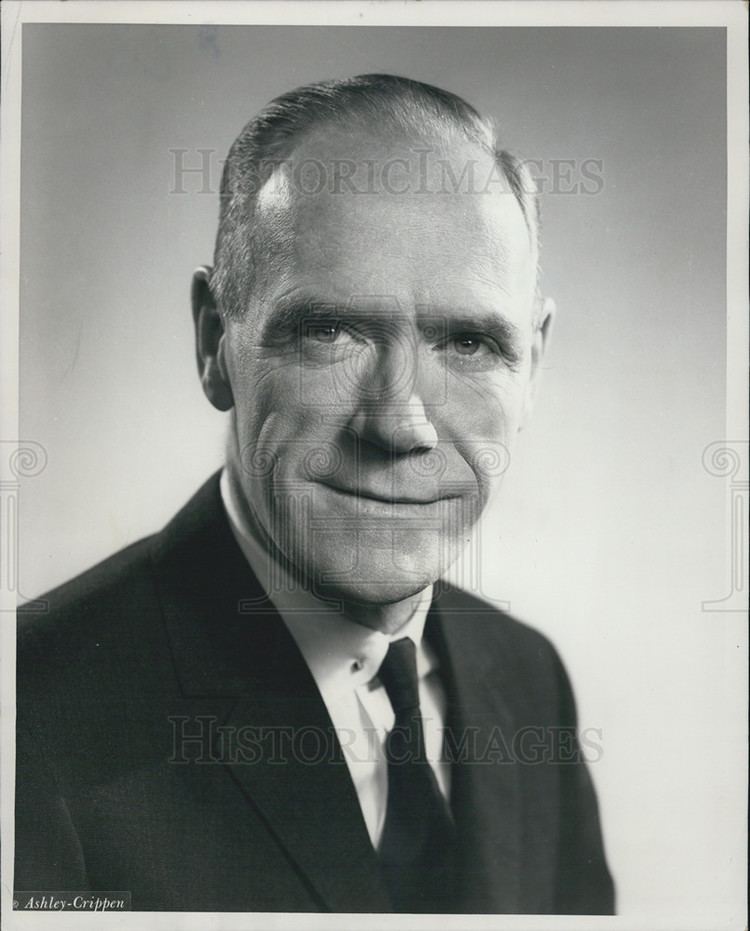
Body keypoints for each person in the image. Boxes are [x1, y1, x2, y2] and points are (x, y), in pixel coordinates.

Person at [15, 74, 615, 914]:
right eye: (329, 331)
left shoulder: (528, 679)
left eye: (471, 342)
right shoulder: (31, 720)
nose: (402, 422)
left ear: (534, 366)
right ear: (216, 342)